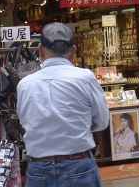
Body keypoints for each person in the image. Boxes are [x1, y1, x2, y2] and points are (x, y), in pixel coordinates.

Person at [17, 22, 109, 187]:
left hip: (39, 169)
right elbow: (102, 121)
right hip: (78, 165)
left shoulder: (25, 84)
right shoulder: (85, 78)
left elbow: (25, 122)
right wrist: (80, 124)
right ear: (73, 51)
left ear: (40, 50)